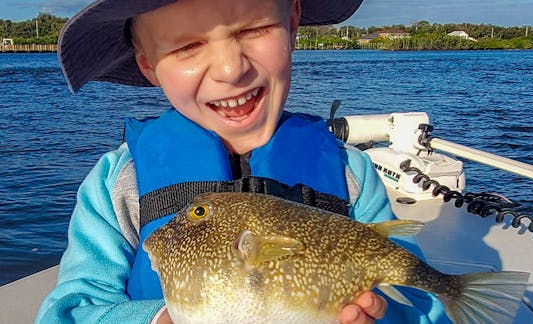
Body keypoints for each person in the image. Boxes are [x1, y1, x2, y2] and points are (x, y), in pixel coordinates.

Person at [36, 0, 450, 323]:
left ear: (291, 23)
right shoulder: (119, 183)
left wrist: (375, 317)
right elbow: (69, 312)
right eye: (187, 46)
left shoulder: (352, 174)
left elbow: (418, 301)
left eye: (253, 29)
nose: (231, 69)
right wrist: (162, 319)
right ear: (147, 62)